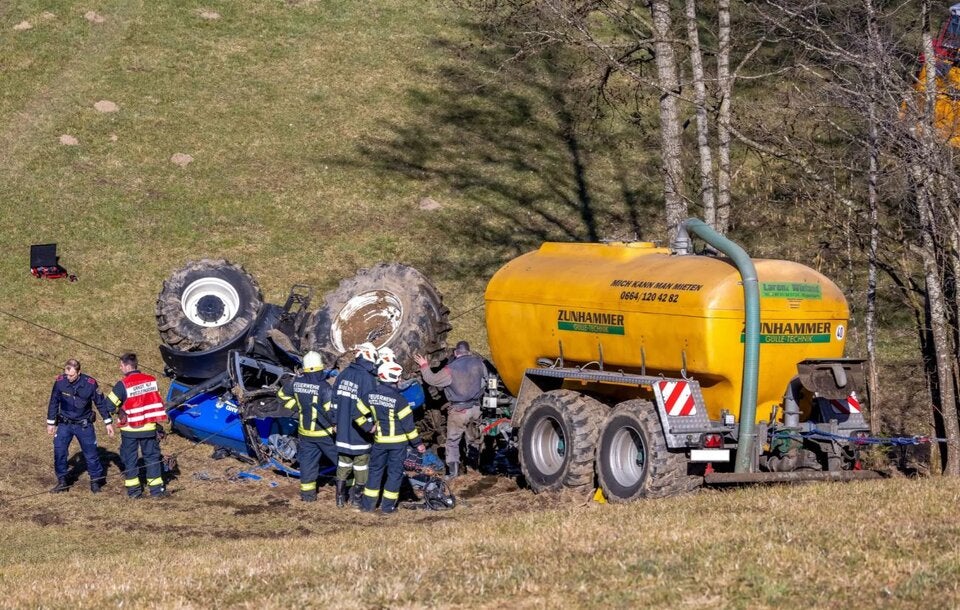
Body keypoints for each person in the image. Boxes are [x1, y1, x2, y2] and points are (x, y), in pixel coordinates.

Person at [414, 340, 487, 479]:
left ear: (455, 353)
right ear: (469, 351)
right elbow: (487, 379)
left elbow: (432, 380)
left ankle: (453, 474)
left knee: (452, 441)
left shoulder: (450, 369)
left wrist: (424, 365)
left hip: (459, 411)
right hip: (476, 408)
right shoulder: (479, 363)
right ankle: (474, 467)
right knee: (474, 438)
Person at [360, 361, 425, 513]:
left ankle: (368, 506)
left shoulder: (370, 396)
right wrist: (418, 444)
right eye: (398, 378)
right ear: (394, 380)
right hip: (398, 444)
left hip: (379, 442)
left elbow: (357, 413)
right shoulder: (400, 401)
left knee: (375, 472)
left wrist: (369, 427)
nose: (400, 380)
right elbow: (409, 427)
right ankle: (387, 507)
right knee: (394, 474)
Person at [46, 359, 115, 493]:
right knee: (59, 451)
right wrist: (50, 423)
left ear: (79, 372)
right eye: (67, 374)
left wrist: (108, 422)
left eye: (71, 375)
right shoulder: (60, 382)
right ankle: (62, 480)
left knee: (91, 454)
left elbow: (100, 403)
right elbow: (53, 401)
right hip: (65, 424)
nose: (69, 378)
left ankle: (95, 481)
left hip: (84, 425)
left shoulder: (90, 384)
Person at [277, 351, 337, 502]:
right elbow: (331, 412)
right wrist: (337, 425)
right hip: (325, 434)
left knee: (307, 464)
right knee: (342, 460)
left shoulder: (296, 382)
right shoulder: (325, 388)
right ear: (320, 368)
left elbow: (281, 395)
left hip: (305, 433)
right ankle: (349, 490)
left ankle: (308, 496)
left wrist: (297, 407)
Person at [106, 352, 168, 499]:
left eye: (121, 365)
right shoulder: (151, 380)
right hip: (149, 427)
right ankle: (156, 491)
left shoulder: (123, 384)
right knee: (152, 458)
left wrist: (119, 411)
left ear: (128, 366)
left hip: (130, 429)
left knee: (130, 460)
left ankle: (134, 492)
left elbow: (108, 405)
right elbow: (156, 401)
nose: (120, 368)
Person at [333, 342, 379, 507]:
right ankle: (356, 499)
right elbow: (370, 407)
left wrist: (334, 422)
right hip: (360, 433)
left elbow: (334, 402)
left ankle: (339, 499)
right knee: (361, 465)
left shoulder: (343, 374)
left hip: (343, 430)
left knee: (343, 463)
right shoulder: (367, 379)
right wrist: (370, 427)